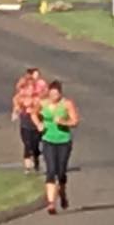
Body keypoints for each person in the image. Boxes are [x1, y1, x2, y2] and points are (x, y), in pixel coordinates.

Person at [31, 80, 79, 215]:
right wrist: (38, 124)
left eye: (56, 94)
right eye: (51, 94)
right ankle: (51, 203)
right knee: (51, 170)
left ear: (60, 94)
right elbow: (33, 113)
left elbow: (75, 121)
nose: (54, 97)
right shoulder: (43, 103)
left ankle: (62, 192)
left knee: (61, 171)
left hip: (63, 141)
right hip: (48, 140)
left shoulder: (67, 104)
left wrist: (63, 122)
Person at [11, 71, 42, 173]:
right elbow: (16, 106)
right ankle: (27, 166)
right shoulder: (20, 97)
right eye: (28, 88)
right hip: (25, 124)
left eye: (32, 88)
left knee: (35, 145)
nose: (30, 90)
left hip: (35, 125)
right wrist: (15, 112)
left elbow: (42, 109)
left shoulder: (38, 98)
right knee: (27, 144)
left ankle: (36, 159)